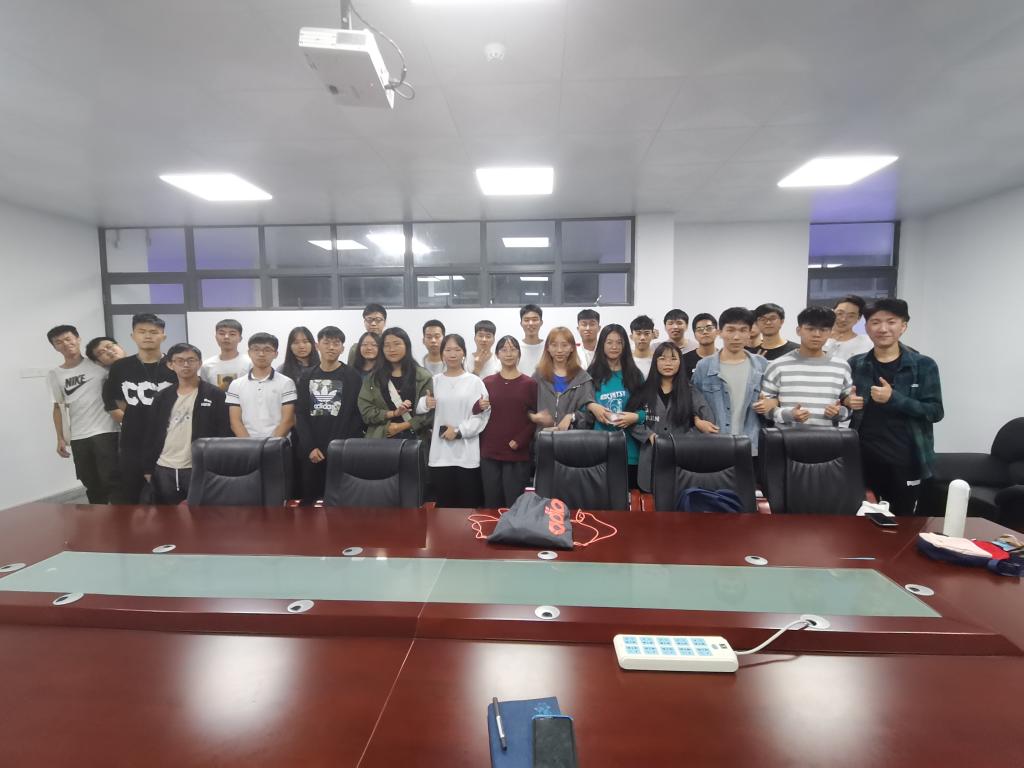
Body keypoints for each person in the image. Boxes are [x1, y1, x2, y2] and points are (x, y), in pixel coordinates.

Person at [848, 299, 943, 516]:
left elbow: (935, 412)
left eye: (891, 322)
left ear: (903, 326)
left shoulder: (923, 365)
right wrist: (847, 403)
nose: (883, 329)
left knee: (902, 522)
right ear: (867, 327)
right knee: (861, 520)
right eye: (875, 322)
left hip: (906, 459)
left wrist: (894, 398)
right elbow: (844, 406)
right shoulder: (856, 364)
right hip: (862, 458)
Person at [144, 343, 231, 504]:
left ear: (200, 363)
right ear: (170, 364)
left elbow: (224, 432)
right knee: (168, 515)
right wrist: (148, 468)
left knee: (203, 513)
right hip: (164, 467)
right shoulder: (162, 397)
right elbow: (151, 433)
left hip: (200, 467)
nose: (186, 364)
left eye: (191, 360)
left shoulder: (215, 394)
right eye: (179, 360)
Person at [106, 313, 177, 503]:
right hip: (133, 439)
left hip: (169, 438)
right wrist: (134, 416)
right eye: (142, 331)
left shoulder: (175, 365)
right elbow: (116, 398)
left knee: (168, 494)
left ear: (163, 336)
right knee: (131, 493)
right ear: (133, 336)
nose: (147, 336)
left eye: (154, 332)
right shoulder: (120, 367)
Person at [629, 342, 717, 492]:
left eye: (673, 359)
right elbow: (630, 420)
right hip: (650, 457)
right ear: (655, 362)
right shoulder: (643, 390)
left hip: (682, 458)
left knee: (680, 497)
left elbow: (708, 420)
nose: (668, 363)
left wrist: (686, 438)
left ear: (680, 362)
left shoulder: (690, 391)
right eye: (662, 358)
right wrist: (648, 435)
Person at [46, 325, 120, 503]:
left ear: (78, 339)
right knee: (90, 481)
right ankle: (97, 517)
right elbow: (57, 407)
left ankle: (120, 517)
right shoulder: (55, 374)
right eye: (59, 342)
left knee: (112, 479)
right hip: (78, 436)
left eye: (68, 339)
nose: (65, 344)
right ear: (54, 347)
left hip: (107, 431)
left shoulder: (99, 365)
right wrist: (60, 438)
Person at [417, 334, 490, 508]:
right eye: (448, 350)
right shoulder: (434, 381)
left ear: (464, 353)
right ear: (442, 353)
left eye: (457, 349)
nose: (452, 354)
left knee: (468, 507)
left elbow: (482, 415)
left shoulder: (475, 382)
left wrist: (459, 431)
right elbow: (418, 409)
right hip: (440, 455)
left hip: (467, 454)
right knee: (444, 508)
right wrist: (425, 403)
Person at [293, 326, 365, 503]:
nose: (331, 347)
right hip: (312, 451)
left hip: (341, 450)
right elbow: (300, 414)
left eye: (336, 343)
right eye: (326, 343)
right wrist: (310, 446)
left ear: (342, 348)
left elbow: (356, 416)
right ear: (317, 345)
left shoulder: (352, 376)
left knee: (341, 501)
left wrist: (339, 447)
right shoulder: (307, 376)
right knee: (310, 502)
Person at [691, 308, 773, 455]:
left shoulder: (762, 365)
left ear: (750, 332)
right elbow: (691, 402)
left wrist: (771, 403)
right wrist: (697, 421)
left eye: (743, 330)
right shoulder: (704, 366)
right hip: (714, 444)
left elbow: (774, 400)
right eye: (730, 330)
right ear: (719, 332)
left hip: (752, 445)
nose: (736, 337)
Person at [760, 306, 854, 427]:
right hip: (787, 436)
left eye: (823, 330)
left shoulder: (841, 367)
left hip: (829, 436)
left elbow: (849, 409)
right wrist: (788, 414)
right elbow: (765, 408)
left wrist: (839, 413)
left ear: (831, 332)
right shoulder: (778, 365)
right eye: (810, 329)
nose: (817, 334)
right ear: (798, 330)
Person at [583, 324, 648, 489]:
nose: (614, 347)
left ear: (625, 345)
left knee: (628, 499)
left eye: (619, 342)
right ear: (602, 344)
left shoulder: (635, 375)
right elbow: (580, 407)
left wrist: (636, 417)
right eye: (609, 342)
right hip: (599, 449)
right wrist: (592, 406)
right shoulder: (590, 375)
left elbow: (648, 411)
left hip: (630, 451)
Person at [478, 336, 539, 508]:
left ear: (519, 353)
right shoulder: (487, 382)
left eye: (513, 349)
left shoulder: (530, 383)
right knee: (491, 503)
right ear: (497, 354)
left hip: (517, 453)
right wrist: (478, 406)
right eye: (504, 350)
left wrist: (520, 440)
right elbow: (477, 413)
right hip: (490, 452)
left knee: (514, 504)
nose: (509, 354)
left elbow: (535, 417)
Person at [358, 327, 434, 442]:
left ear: (406, 345)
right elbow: (366, 411)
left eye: (397, 344)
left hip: (416, 441)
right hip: (380, 439)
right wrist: (392, 414)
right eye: (387, 345)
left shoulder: (422, 376)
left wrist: (402, 426)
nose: (392, 349)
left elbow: (431, 413)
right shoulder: (373, 379)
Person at [226, 332, 297, 439]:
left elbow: (288, 420)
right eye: (256, 349)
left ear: (276, 354)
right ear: (249, 353)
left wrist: (271, 445)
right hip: (247, 445)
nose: (261, 354)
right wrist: (250, 445)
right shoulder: (236, 384)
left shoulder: (286, 383)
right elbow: (235, 422)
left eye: (267, 350)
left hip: (278, 444)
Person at [533, 327, 595, 431]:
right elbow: (525, 408)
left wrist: (572, 417)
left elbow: (590, 416)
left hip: (572, 439)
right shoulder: (538, 376)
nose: (559, 350)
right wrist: (534, 417)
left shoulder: (583, 378)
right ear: (547, 348)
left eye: (564, 345)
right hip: (542, 437)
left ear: (572, 348)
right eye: (554, 345)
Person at [200, 319, 250, 390]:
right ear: (216, 337)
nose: (226, 337)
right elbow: (205, 391)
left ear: (240, 338)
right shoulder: (207, 365)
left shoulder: (249, 362)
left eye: (232, 334)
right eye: (222, 333)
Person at [824, 294, 873, 361]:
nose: (843, 319)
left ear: (858, 318)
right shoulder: (816, 338)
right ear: (832, 312)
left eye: (851, 316)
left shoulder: (868, 342)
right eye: (840, 313)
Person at [682, 313, 718, 378]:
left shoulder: (725, 358)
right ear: (695, 335)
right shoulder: (684, 360)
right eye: (700, 330)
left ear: (717, 332)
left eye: (709, 328)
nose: (705, 332)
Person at [519, 304, 545, 375]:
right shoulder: (515, 348)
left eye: (535, 320)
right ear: (521, 323)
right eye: (526, 320)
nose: (530, 323)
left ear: (541, 322)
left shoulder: (548, 347)